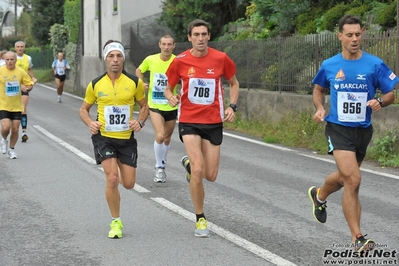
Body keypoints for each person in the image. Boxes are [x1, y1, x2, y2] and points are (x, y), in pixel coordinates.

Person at [309, 14, 398, 252]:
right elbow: (318, 89)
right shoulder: (329, 65)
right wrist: (319, 108)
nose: (354, 39)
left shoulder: (375, 64)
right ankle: (357, 237)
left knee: (346, 177)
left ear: (363, 34)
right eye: (349, 35)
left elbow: (391, 93)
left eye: (358, 34)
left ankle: (319, 195)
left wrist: (380, 101)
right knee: (354, 180)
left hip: (362, 131)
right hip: (338, 128)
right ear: (340, 36)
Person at [164, 19, 239, 237]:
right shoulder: (179, 61)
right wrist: (171, 98)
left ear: (208, 36)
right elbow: (168, 88)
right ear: (189, 38)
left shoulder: (220, 58)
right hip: (189, 120)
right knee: (198, 170)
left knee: (211, 175)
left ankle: (189, 166)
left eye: (204, 34)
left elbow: (234, 83)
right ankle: (200, 218)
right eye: (196, 35)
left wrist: (232, 106)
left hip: (213, 121)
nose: (200, 38)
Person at [79, 40, 148, 239]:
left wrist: (140, 122)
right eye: (111, 56)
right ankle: (115, 221)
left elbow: (145, 107)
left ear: (123, 59)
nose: (115, 60)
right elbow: (83, 109)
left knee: (128, 183)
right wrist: (90, 123)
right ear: (105, 60)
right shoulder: (95, 84)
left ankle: (117, 213)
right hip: (104, 138)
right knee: (112, 178)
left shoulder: (134, 83)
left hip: (126, 139)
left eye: (118, 56)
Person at [135, 34, 178, 183]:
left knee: (167, 137)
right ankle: (159, 167)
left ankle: (163, 161)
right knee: (160, 135)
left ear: (174, 46)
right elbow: (139, 70)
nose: (166, 47)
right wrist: (141, 83)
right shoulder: (150, 59)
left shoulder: (178, 61)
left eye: (169, 44)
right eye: (164, 44)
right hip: (155, 104)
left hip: (172, 105)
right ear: (159, 45)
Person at [0, 51, 34, 159]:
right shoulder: (0, 71)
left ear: (15, 60)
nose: (9, 62)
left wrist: (27, 88)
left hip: (16, 105)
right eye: (7, 60)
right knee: (6, 128)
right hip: (3, 104)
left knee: (15, 129)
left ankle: (12, 149)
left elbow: (29, 84)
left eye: (12, 59)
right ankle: (4, 139)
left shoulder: (21, 72)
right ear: (4, 60)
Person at [15, 41, 37, 142]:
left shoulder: (28, 58)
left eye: (21, 47)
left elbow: (30, 69)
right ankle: (12, 129)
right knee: (12, 109)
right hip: (13, 86)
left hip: (24, 86)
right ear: (15, 48)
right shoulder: (11, 58)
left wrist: (33, 78)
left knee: (23, 108)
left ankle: (24, 132)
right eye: (18, 47)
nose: (20, 48)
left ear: (24, 48)